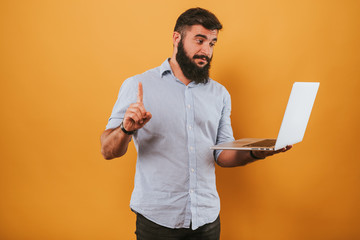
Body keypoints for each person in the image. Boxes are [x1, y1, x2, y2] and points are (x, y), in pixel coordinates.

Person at [100, 7, 291, 240]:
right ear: (176, 38)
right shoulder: (139, 85)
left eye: (212, 43)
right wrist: (125, 129)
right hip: (157, 221)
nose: (206, 51)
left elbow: (222, 155)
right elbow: (108, 150)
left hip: (206, 220)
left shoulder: (220, 94)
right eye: (199, 40)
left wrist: (258, 152)